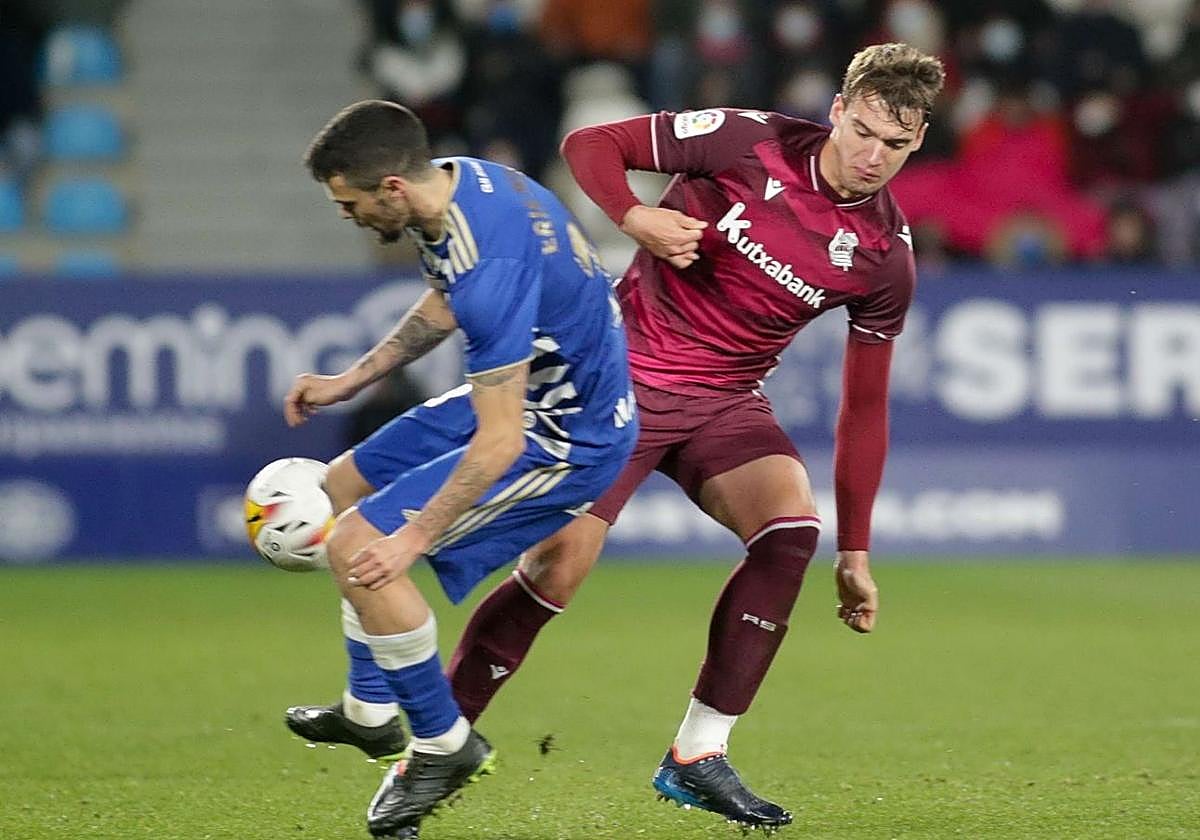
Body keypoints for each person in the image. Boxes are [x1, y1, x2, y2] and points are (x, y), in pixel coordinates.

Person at [289, 42, 945, 831]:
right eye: (864, 131)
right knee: (556, 571)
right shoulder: (747, 139)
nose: (873, 157)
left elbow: (864, 407)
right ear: (837, 110)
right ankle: (427, 754)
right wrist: (636, 217)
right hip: (616, 377)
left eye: (896, 146)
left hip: (726, 401)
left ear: (917, 144)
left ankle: (698, 755)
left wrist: (859, 550)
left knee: (790, 532)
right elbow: (591, 146)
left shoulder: (884, 256)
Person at [287, 99, 637, 839]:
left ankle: (445, 746)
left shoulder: (491, 267)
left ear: (391, 190)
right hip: (538, 391)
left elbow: (500, 444)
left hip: (565, 435)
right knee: (339, 486)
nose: (346, 217)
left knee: (359, 547)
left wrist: (410, 541)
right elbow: (446, 297)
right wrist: (354, 379)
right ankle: (368, 711)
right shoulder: (466, 184)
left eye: (349, 204)